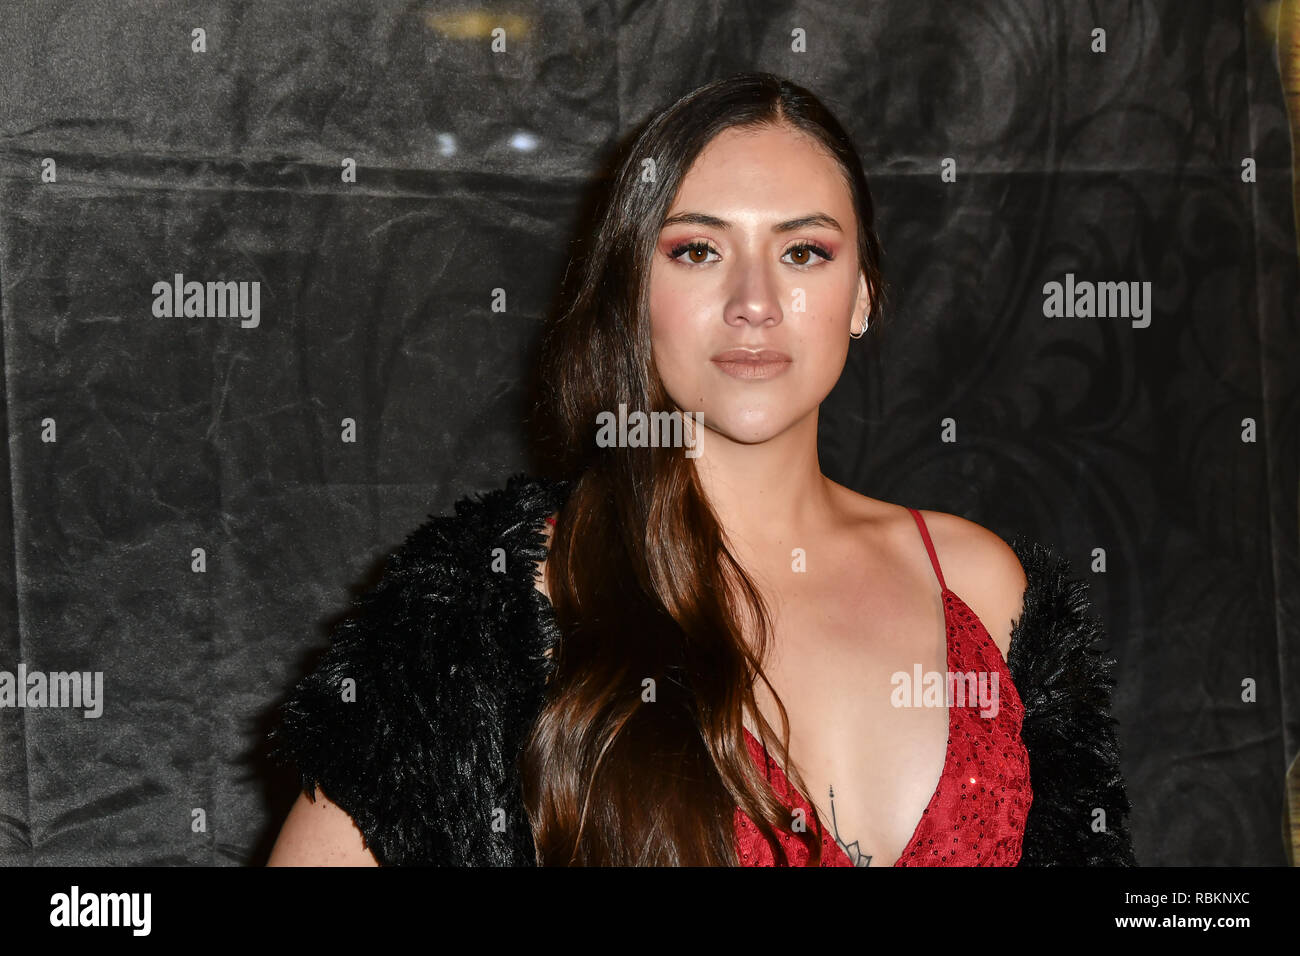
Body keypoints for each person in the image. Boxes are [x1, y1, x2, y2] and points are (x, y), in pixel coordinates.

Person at [266, 72, 1136, 867]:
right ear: (632, 293)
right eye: (697, 250)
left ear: (862, 292)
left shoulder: (985, 591)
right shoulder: (488, 604)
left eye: (804, 252)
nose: (754, 303)